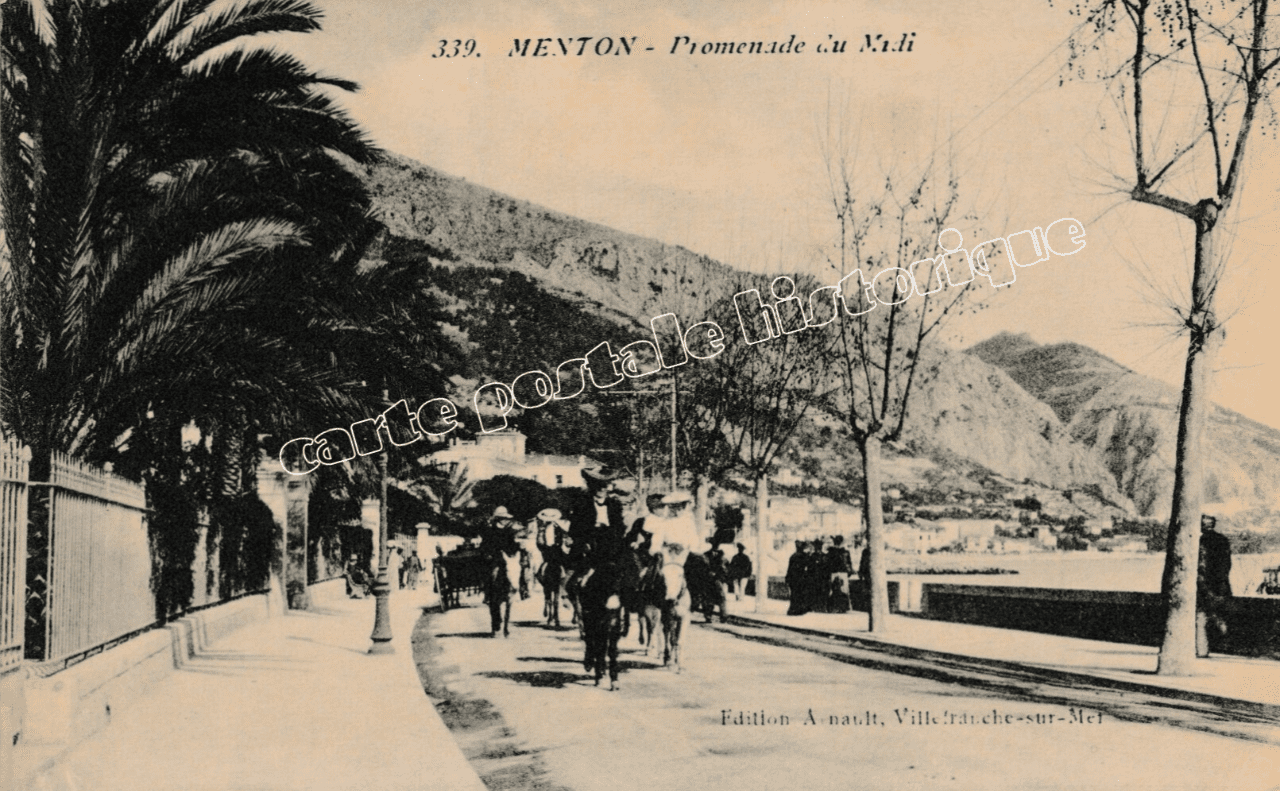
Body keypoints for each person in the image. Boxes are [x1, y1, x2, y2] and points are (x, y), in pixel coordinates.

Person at [1197, 515, 1233, 657]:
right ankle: (1224, 642)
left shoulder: (1200, 541)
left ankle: (1202, 649)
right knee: (1218, 615)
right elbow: (1226, 565)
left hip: (1205, 585)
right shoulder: (1223, 540)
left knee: (1202, 616)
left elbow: (1201, 566)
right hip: (1221, 585)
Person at [826, 536, 854, 613]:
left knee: (833, 590)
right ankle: (844, 607)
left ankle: (834, 607)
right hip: (843, 573)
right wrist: (849, 572)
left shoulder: (830, 552)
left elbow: (827, 564)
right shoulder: (845, 552)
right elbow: (849, 564)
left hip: (833, 573)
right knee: (844, 590)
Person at [785, 541, 809, 615]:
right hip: (801, 578)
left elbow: (789, 569)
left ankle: (793, 609)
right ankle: (799, 610)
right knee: (800, 594)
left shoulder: (793, 556)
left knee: (794, 595)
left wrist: (787, 578)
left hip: (793, 579)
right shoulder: (804, 556)